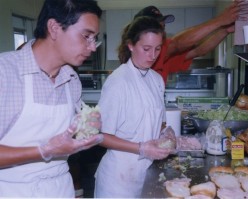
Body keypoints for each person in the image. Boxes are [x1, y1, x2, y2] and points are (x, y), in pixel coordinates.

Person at [0, 0, 104, 197]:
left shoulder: (71, 80)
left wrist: (86, 128)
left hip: (60, 189)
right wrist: (43, 151)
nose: (93, 47)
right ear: (54, 28)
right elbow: (50, 147)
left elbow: (64, 140)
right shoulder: (5, 73)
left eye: (95, 39)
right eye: (86, 36)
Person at [94, 16, 173, 198]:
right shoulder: (118, 82)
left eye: (158, 49)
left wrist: (166, 133)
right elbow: (100, 136)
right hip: (118, 182)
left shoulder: (156, 79)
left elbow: (159, 122)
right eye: (146, 49)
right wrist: (142, 148)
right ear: (131, 45)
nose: (152, 56)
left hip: (146, 174)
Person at [133, 1, 248, 82]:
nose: (162, 32)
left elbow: (198, 50)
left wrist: (225, 30)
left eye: (162, 27)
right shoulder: (145, 55)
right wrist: (220, 20)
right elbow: (178, 44)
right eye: (156, 28)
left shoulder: (163, 55)